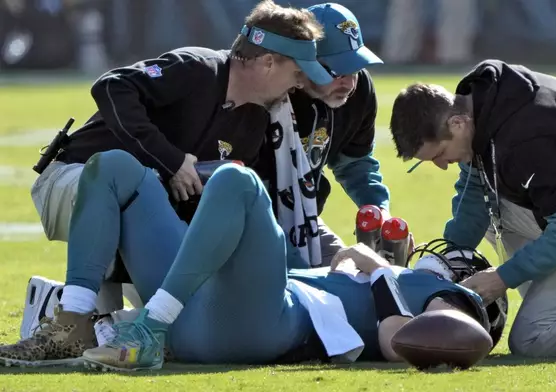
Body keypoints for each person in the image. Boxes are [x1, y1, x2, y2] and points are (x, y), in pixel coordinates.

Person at [0, 149, 497, 370]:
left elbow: (402, 343)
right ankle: (74, 321)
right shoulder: (374, 277)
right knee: (115, 168)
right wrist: (355, 265)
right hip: (200, 309)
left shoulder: (448, 295)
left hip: (258, 327)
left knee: (238, 181)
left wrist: (384, 274)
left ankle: (148, 330)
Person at [25, 0, 332, 320]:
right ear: (268, 62)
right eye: (297, 72)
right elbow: (111, 86)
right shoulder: (197, 67)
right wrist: (171, 161)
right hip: (72, 179)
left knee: (176, 320)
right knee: (132, 196)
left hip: (138, 207)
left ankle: (65, 313)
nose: (299, 84)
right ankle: (73, 312)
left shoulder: (253, 124)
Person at [388, 59, 556, 357]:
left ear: (456, 123)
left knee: (532, 336)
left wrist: (502, 278)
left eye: (440, 154)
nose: (442, 165)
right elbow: (475, 194)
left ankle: (553, 315)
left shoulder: (528, 135)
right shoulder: (480, 105)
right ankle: (550, 305)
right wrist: (440, 267)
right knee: (495, 211)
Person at [288, 3, 395, 265]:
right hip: (254, 223)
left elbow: (355, 162)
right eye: (336, 70)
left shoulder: (359, 92)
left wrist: (379, 210)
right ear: (306, 63)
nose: (348, 83)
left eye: (355, 68)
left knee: (355, 277)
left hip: (304, 220)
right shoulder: (274, 92)